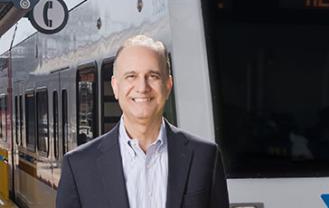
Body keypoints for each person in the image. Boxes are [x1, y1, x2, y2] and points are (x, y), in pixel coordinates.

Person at [56, 35, 229, 208]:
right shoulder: (79, 166)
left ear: (168, 86)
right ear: (116, 87)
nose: (142, 87)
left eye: (153, 76)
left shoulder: (205, 156)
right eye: (131, 76)